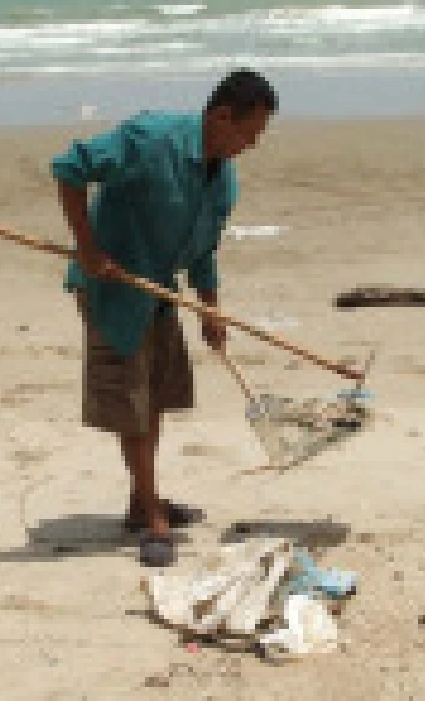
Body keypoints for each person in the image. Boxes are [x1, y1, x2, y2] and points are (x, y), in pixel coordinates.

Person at [50, 69, 277, 567]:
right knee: (130, 403)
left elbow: (203, 249)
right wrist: (87, 250)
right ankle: (153, 516)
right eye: (248, 133)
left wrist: (210, 309)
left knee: (153, 398)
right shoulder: (149, 140)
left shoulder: (224, 177)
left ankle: (140, 501)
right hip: (114, 288)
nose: (251, 145)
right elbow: (69, 168)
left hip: (158, 289)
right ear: (220, 116)